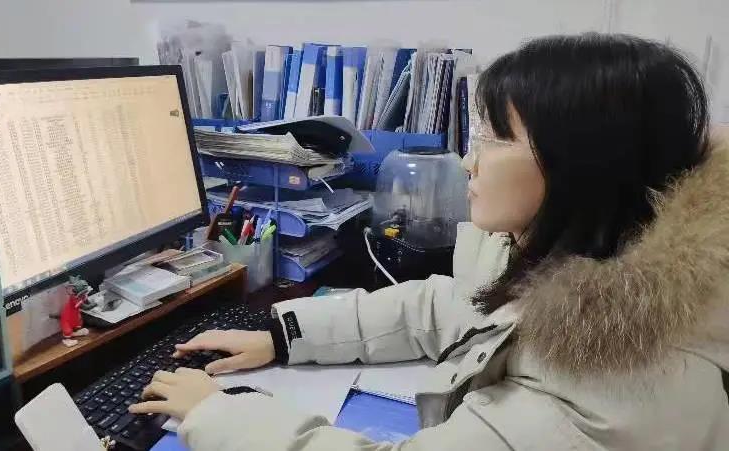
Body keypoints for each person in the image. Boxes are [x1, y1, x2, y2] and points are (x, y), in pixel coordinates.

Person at [130, 33, 729, 450]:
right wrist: (282, 336)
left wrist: (215, 414)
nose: (470, 162)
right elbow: (450, 306)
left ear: (583, 166)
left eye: (495, 137)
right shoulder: (594, 271)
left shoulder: (611, 387)